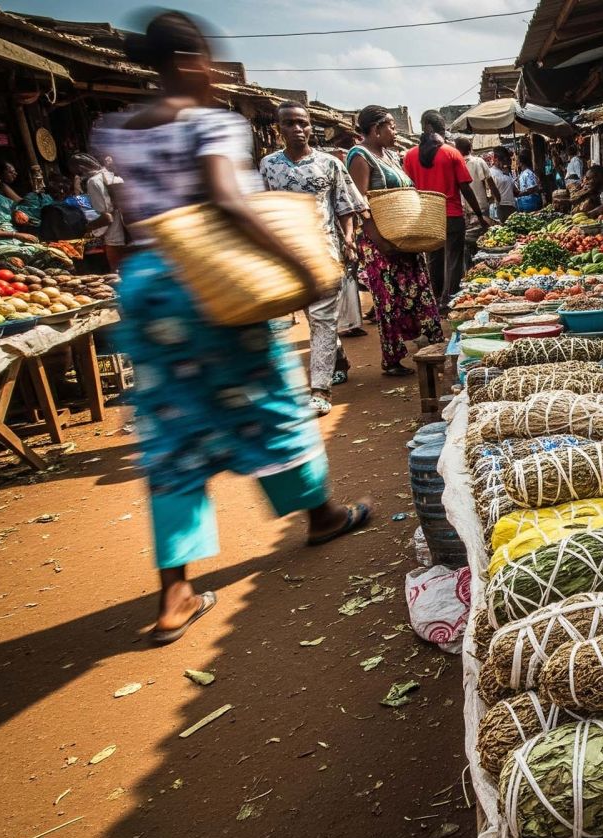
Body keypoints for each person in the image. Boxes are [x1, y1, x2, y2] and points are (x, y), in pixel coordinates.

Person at [92, 11, 372, 645]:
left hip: (150, 293)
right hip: (209, 288)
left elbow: (133, 218)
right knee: (270, 402)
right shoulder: (213, 123)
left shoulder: (118, 127)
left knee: (171, 436)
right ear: (191, 62)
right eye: (210, 60)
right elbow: (228, 199)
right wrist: (301, 261)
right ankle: (322, 513)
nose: (215, 72)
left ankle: (175, 593)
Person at [259, 100, 367, 416]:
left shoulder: (329, 164)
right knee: (313, 315)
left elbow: (345, 205)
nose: (298, 129)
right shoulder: (268, 165)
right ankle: (338, 358)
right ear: (279, 129)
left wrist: (348, 239)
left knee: (321, 317)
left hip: (325, 250)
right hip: (287, 254)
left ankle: (319, 389)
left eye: (303, 123)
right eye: (290, 123)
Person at [347, 105, 445, 376]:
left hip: (404, 241)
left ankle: (433, 343)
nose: (395, 130)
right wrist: (381, 241)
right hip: (381, 242)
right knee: (390, 300)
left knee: (420, 291)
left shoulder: (390, 155)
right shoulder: (360, 156)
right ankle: (391, 360)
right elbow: (360, 202)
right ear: (376, 129)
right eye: (390, 125)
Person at [403, 110, 487, 305]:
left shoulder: (410, 156)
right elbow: (465, 188)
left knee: (433, 260)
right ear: (440, 130)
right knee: (454, 260)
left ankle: (435, 299)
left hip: (427, 217)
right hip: (452, 215)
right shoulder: (451, 153)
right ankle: (448, 301)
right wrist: (479, 215)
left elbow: (409, 188)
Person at [71, 153, 128, 271]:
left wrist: (92, 229)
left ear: (81, 168)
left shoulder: (93, 182)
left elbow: (105, 214)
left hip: (113, 234)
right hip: (126, 227)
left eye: (77, 172)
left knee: (118, 271)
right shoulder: (112, 176)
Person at [453, 136, 497, 248]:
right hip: (481, 208)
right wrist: (497, 198)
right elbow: (490, 182)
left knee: (466, 243)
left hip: (462, 211)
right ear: (470, 148)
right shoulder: (478, 161)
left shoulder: (454, 165)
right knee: (485, 242)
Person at [488, 146, 517, 221]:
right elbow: (490, 193)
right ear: (495, 158)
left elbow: (514, 190)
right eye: (501, 160)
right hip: (501, 207)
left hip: (512, 205)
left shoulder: (506, 172)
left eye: (505, 161)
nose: (503, 163)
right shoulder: (491, 172)